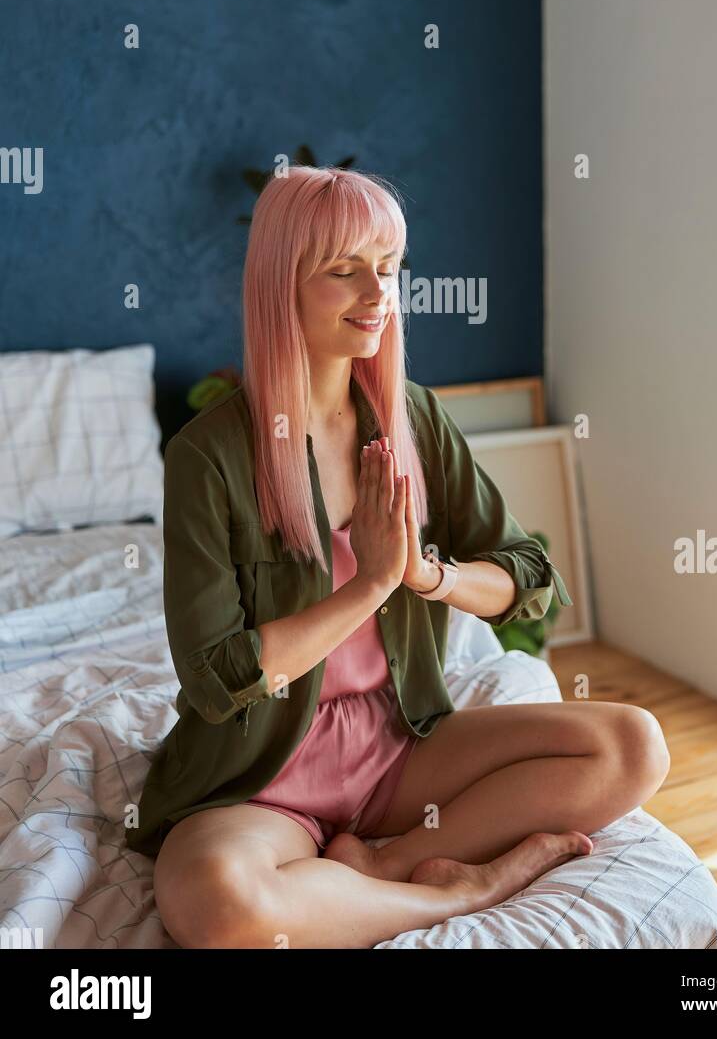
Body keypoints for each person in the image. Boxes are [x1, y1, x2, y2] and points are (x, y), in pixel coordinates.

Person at [133, 165, 670, 949]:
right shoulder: (207, 457)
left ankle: (394, 863)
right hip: (260, 773)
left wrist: (428, 575)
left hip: (398, 745)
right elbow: (217, 680)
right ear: (282, 285)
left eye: (386, 269)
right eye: (344, 272)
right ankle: (466, 891)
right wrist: (374, 583)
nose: (377, 293)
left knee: (633, 745)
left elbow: (530, 578)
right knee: (220, 909)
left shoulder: (410, 416)